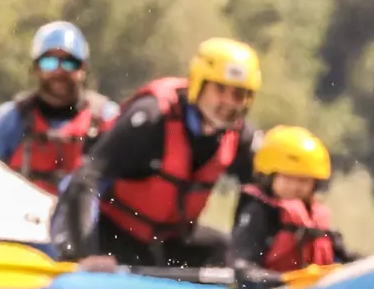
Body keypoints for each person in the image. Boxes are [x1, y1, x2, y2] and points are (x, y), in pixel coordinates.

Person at [51, 38, 262, 272]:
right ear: (198, 84)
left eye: (239, 95)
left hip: (167, 241)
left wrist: (244, 261)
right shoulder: (151, 119)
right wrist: (86, 254)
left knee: (222, 250)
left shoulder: (240, 137)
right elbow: (87, 178)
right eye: (220, 89)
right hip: (109, 232)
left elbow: (257, 196)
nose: (229, 103)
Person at [0, 22, 119, 194]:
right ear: (36, 68)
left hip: (84, 219)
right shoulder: (9, 120)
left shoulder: (108, 119)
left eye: (69, 63)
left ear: (83, 68)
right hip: (19, 217)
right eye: (49, 62)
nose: (58, 71)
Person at [229, 125, 355, 289]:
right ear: (268, 177)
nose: (295, 187)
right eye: (287, 178)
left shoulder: (314, 217)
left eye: (303, 180)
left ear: (315, 184)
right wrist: (286, 281)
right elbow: (242, 268)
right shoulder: (258, 213)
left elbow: (348, 258)